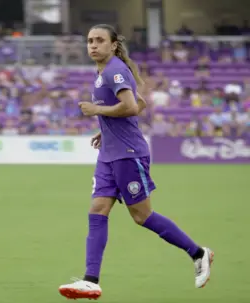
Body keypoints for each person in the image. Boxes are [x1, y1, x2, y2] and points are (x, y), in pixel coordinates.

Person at [58, 24, 214, 300]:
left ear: (113, 45)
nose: (93, 45)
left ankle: (198, 253)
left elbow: (131, 106)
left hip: (128, 154)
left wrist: (97, 110)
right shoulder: (103, 71)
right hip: (109, 153)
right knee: (97, 210)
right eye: (89, 40)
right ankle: (91, 280)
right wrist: (105, 125)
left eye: (99, 40)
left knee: (142, 216)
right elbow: (140, 103)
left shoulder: (114, 70)